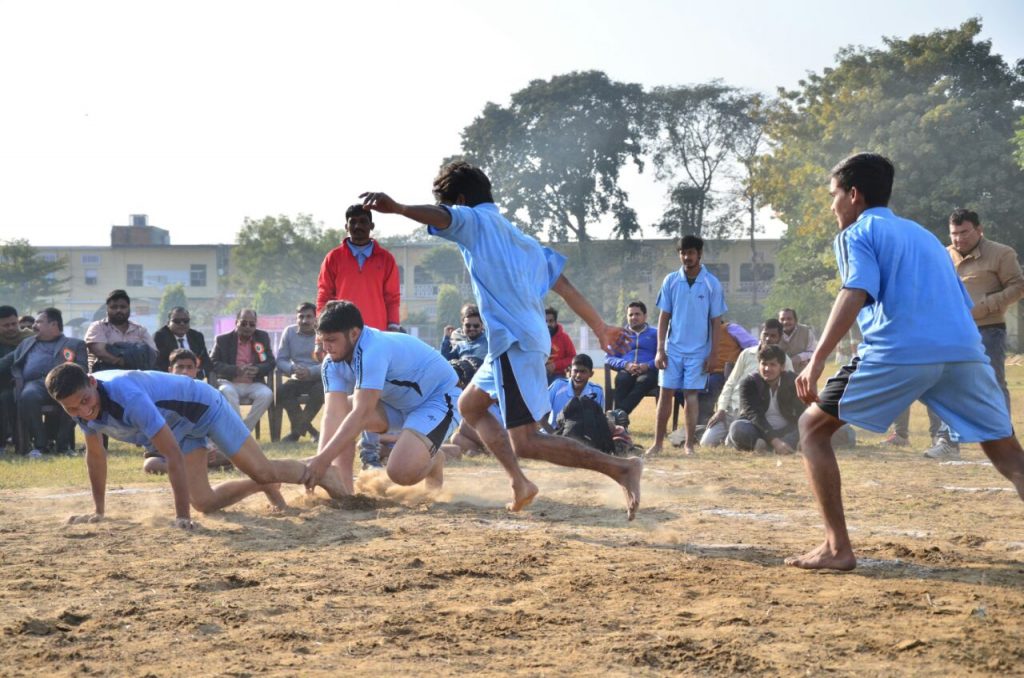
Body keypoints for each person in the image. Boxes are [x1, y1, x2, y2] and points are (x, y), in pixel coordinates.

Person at [359, 160, 642, 519]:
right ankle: (519, 483)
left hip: (515, 343)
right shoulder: (521, 240)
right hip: (511, 343)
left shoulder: (474, 220)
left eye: (451, 205)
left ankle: (622, 469)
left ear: (460, 200)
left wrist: (398, 208)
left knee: (526, 441)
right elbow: (565, 286)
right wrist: (600, 327)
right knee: (470, 407)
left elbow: (441, 216)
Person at [790, 152, 1024, 571]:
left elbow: (854, 291)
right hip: (964, 352)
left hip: (899, 350)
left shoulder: (856, 232)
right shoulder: (925, 237)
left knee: (811, 428)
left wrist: (817, 358)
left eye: (834, 195)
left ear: (854, 195)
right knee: (1008, 454)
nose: (831, 206)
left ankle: (836, 548)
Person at [46, 362, 349, 529]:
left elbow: (172, 455)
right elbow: (96, 457)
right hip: (180, 425)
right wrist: (99, 510)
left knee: (263, 469)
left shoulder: (129, 396)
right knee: (204, 502)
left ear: (92, 383)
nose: (83, 411)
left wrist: (181, 518)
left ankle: (319, 471)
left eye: (85, 401)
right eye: (72, 409)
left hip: (205, 407)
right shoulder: (79, 406)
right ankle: (261, 485)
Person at [302, 301, 461, 495]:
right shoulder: (331, 362)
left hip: (438, 400)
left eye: (332, 340)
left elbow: (362, 413)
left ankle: (434, 460)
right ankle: (345, 491)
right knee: (344, 412)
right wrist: (323, 465)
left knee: (401, 473)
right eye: (323, 339)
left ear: (353, 333)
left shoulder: (373, 350)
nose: (327, 347)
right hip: (397, 405)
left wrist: (322, 461)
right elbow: (333, 415)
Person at [918, 207, 1024, 461]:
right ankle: (947, 441)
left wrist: (984, 306)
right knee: (943, 382)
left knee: (991, 384)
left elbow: (1018, 286)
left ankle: (1002, 441)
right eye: (954, 233)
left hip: (988, 330)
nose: (958, 239)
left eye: (964, 232)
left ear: (979, 230)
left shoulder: (1001, 253)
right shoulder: (942, 256)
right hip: (949, 331)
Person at [316, 204, 402, 470]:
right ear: (346, 226)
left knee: (373, 397)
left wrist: (393, 328)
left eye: (363, 221)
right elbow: (323, 295)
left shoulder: (385, 258)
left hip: (375, 339)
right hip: (342, 340)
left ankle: (370, 453)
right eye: (353, 222)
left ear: (371, 226)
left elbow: (392, 297)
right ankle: (334, 462)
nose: (358, 226)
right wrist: (322, 338)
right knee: (338, 400)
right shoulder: (334, 257)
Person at [647, 235, 727, 457]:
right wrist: (660, 349)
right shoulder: (671, 280)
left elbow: (716, 323)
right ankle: (657, 444)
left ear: (699, 254)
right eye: (683, 253)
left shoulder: (712, 283)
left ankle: (689, 445)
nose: (687, 257)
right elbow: (664, 317)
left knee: (691, 395)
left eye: (691, 252)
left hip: (699, 351)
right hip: (673, 349)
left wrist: (713, 354)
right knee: (665, 394)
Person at [0, 308, 86, 456]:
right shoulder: (27, 343)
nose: (34, 325)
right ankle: (40, 445)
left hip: (63, 384)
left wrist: (66, 377)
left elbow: (83, 367)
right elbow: (7, 362)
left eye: (39, 322)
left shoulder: (75, 344)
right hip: (36, 385)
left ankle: (63, 446)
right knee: (27, 395)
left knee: (74, 396)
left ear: (53, 324)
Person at [701, 318, 792, 447]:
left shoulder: (784, 360)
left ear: (779, 338)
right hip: (732, 409)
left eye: (773, 336)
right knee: (706, 443)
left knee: (732, 441)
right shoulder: (746, 354)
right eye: (765, 334)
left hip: (753, 414)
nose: (768, 339)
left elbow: (787, 390)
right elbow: (730, 383)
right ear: (760, 333)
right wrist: (721, 409)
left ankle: (745, 440)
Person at [143, 348, 232, 474]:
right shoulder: (158, 394)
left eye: (189, 367)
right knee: (151, 464)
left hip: (198, 447)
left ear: (196, 371)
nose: (185, 372)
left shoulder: (204, 395)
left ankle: (195, 464)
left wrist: (209, 447)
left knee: (230, 454)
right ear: (170, 370)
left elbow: (213, 427)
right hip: (167, 451)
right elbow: (152, 433)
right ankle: (194, 465)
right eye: (180, 367)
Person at [728, 345, 802, 454]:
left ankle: (777, 446)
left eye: (772, 365)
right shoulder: (749, 383)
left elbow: (802, 411)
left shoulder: (793, 381)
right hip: (759, 430)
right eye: (764, 364)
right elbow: (754, 415)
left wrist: (802, 435)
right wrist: (775, 441)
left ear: (782, 367)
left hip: (786, 430)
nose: (767, 369)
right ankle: (773, 446)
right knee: (737, 428)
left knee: (808, 426)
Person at [210, 309, 275, 432]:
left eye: (252, 324)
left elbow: (270, 362)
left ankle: (241, 431)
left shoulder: (262, 337)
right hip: (229, 382)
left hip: (254, 382)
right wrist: (235, 370)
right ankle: (241, 434)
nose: (248, 327)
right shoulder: (222, 340)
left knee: (267, 394)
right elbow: (213, 362)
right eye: (244, 323)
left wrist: (258, 369)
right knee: (227, 392)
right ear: (236, 322)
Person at [276, 302, 324, 443]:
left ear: (316, 318)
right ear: (296, 318)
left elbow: (330, 361)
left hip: (317, 377)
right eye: (301, 317)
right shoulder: (289, 332)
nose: (304, 321)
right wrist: (292, 369)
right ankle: (313, 432)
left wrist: (311, 371)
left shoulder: (322, 333)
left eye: (309, 317)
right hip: (297, 376)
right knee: (282, 391)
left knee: (320, 391)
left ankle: (295, 434)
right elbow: (281, 360)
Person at [604, 301, 658, 415]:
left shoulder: (656, 334)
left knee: (644, 381)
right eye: (630, 315)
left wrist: (648, 365)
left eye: (637, 314)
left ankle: (618, 415)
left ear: (645, 316)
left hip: (649, 372)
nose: (633, 317)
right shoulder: (619, 335)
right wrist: (626, 365)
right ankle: (620, 421)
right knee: (622, 379)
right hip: (627, 370)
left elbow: (663, 355)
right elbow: (609, 358)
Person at [84, 289, 156, 372]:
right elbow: (100, 352)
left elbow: (152, 354)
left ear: (129, 309)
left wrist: (115, 352)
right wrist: (124, 361)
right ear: (107, 309)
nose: (119, 310)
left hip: (135, 377)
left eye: (123, 307)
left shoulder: (140, 330)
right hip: (104, 377)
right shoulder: (98, 327)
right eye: (114, 307)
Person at [0, 305, 34, 448]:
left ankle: (21, 441)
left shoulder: (30, 338)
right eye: (5, 325)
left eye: (14, 323)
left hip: (25, 382)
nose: (11, 328)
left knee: (7, 397)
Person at [547, 353, 604, 427]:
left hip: (584, 436)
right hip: (555, 433)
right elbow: (539, 413)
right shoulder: (558, 386)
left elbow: (599, 419)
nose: (578, 375)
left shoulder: (597, 391)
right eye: (575, 371)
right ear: (570, 371)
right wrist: (551, 433)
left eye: (583, 372)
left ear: (591, 374)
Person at [153, 307, 213, 377]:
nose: (182, 324)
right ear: (168, 323)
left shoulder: (197, 336)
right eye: (177, 321)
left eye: (185, 321)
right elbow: (160, 364)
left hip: (195, 377)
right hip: (171, 378)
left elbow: (206, 361)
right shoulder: (160, 337)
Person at [777, 308, 817, 373]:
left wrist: (799, 357)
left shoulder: (806, 331)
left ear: (795, 320)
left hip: (803, 373)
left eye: (789, 319)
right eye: (782, 319)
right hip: (780, 375)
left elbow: (814, 352)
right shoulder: (773, 333)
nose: (785, 322)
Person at [545, 307, 577, 384]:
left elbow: (573, 357)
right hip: (538, 375)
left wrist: (555, 365)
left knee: (558, 385)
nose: (548, 324)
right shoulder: (536, 338)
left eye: (551, 321)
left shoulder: (564, 338)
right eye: (545, 321)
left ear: (556, 322)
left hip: (558, 375)